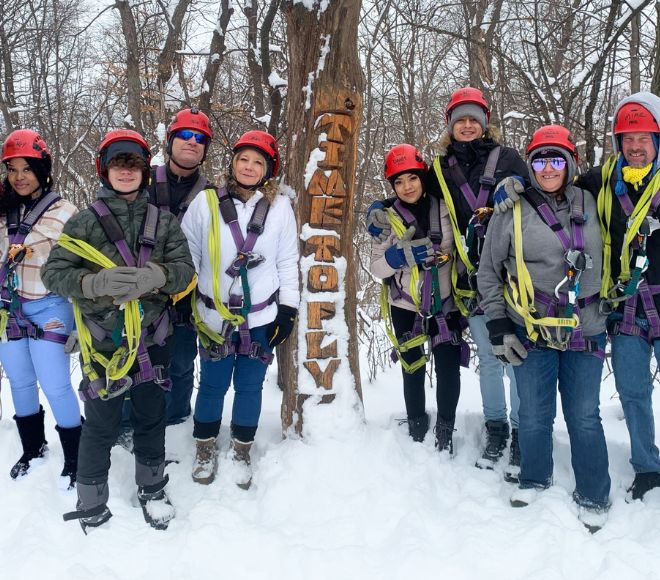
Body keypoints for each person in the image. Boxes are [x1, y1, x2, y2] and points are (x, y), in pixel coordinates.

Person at [42, 129, 195, 532]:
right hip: (104, 342)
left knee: (150, 414)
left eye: (133, 165)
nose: (125, 172)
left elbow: (185, 272)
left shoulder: (162, 223)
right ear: (104, 170)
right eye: (117, 165)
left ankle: (152, 486)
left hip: (153, 337)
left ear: (144, 172)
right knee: (102, 421)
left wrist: (156, 277)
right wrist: (95, 284)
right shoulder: (85, 223)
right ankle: (90, 499)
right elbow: (54, 272)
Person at [478, 125, 611, 532]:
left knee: (584, 414)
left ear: (570, 163)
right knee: (534, 413)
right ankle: (535, 476)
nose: (548, 168)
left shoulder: (593, 200)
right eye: (539, 160)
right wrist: (499, 327)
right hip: (530, 329)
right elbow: (488, 272)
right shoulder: (510, 209)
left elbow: (632, 175)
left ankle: (593, 490)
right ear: (530, 165)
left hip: (585, 326)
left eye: (557, 160)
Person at [181, 129, 299, 488]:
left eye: (258, 162)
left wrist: (288, 309)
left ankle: (242, 448)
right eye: (243, 159)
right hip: (214, 315)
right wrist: (188, 300)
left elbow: (287, 260)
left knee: (250, 386)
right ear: (232, 162)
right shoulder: (205, 203)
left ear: (268, 169)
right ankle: (204, 446)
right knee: (213, 385)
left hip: (261, 316)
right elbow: (189, 254)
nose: (249, 167)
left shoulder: (279, 208)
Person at [424, 87, 528, 473]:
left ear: (485, 124)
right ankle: (496, 426)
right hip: (471, 277)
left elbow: (541, 194)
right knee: (488, 358)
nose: (467, 126)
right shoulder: (439, 168)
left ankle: (520, 431)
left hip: (513, 275)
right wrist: (384, 210)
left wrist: (520, 186)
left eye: (473, 120)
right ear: (450, 126)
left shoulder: (510, 160)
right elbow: (416, 199)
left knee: (516, 356)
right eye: (460, 120)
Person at [575, 92, 660, 501]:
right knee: (632, 390)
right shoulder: (601, 179)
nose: (635, 146)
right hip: (625, 306)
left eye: (644, 137)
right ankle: (647, 467)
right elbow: (553, 190)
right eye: (627, 138)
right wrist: (514, 185)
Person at [117, 108, 214, 445]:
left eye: (199, 139)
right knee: (133, 357)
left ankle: (175, 421)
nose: (192, 143)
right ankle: (127, 424)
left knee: (182, 361)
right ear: (170, 141)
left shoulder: (212, 195)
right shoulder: (142, 183)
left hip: (187, 293)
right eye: (185, 136)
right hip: (142, 290)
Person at [369, 144, 467, 452]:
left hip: (445, 303)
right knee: (412, 366)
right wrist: (397, 257)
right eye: (398, 182)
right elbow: (376, 266)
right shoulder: (385, 218)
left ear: (422, 177)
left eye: (412, 178)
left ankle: (445, 428)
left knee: (448, 366)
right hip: (405, 306)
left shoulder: (445, 207)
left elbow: (463, 248)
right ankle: (415, 424)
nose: (406, 187)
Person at [0, 129, 81, 488]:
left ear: (43, 170)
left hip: (50, 304)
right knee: (19, 382)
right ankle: (33, 447)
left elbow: (82, 264)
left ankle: (76, 458)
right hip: (8, 308)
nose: (19, 177)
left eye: (27, 168)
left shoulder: (66, 213)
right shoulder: (3, 208)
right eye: (12, 169)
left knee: (55, 384)